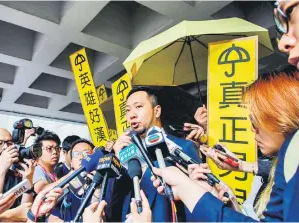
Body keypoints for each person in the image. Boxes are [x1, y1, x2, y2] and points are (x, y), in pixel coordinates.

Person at [151, 68, 299, 222]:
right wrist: (226, 199)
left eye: (255, 122)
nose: (251, 129)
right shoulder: (281, 165)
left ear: (282, 117)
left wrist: (189, 190)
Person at [111, 86, 201, 222]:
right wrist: (118, 162)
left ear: (157, 111)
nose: (131, 115)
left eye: (138, 107)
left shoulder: (183, 147)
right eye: (128, 110)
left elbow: (199, 202)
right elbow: (115, 202)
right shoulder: (126, 153)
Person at [50, 139, 95, 222]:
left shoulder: (105, 183)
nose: (81, 157)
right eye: (76, 154)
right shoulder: (66, 188)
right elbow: (52, 217)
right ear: (71, 163)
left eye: (86, 153)